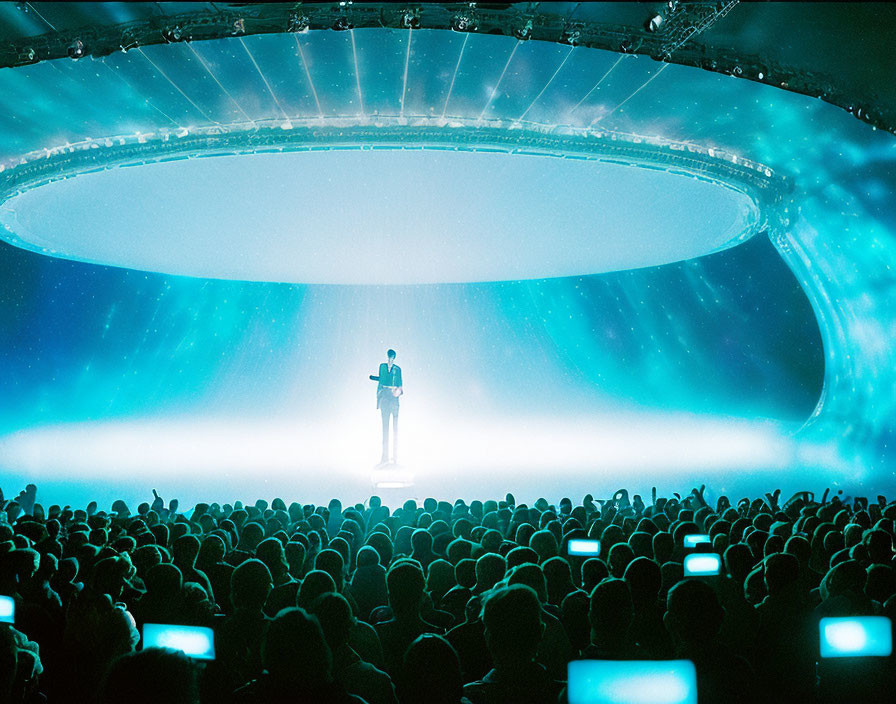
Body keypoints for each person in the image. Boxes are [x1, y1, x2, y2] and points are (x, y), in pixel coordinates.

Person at [374, 349, 403, 465]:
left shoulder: (398, 369)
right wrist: (378, 400)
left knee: (395, 430)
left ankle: (395, 458)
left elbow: (400, 385)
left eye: (392, 357)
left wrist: (397, 392)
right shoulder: (382, 367)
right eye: (389, 356)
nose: (391, 359)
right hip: (385, 400)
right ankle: (384, 457)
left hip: (394, 401)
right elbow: (380, 385)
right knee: (385, 429)